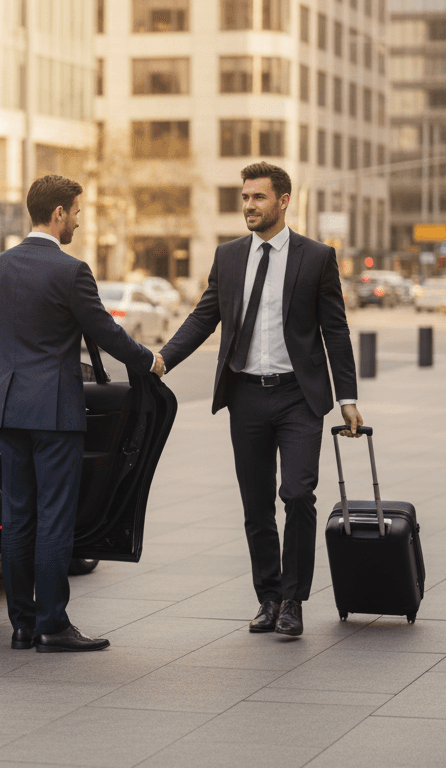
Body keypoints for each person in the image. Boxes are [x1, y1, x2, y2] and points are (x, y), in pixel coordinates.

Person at [159, 162, 361, 638]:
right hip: (246, 396)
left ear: (283, 201)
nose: (248, 205)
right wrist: (162, 360)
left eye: (258, 197)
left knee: (297, 495)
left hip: (298, 397)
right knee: (255, 505)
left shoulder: (316, 257)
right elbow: (204, 316)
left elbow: (336, 329)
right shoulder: (229, 257)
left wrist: (348, 396)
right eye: (245, 197)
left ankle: (294, 599)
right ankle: (268, 598)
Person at [0, 174, 165, 654]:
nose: (79, 222)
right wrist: (149, 359)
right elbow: (104, 332)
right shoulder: (70, 271)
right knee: (54, 519)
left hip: (12, 409)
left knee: (17, 518)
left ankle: (21, 624)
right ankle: (52, 624)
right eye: (77, 213)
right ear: (59, 213)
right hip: (57, 412)